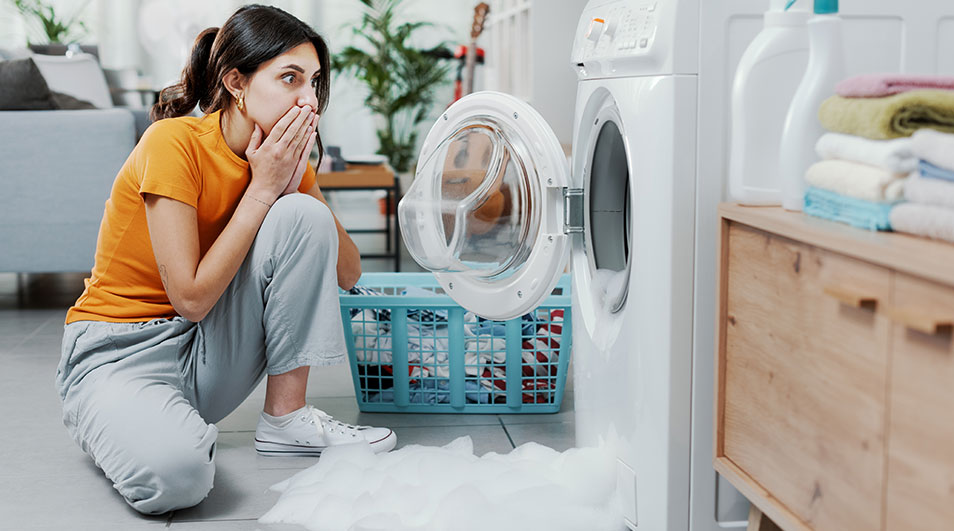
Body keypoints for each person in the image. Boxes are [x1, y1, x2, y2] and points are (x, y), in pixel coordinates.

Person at [53, 4, 396, 515]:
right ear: (236, 82)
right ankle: (119, 417)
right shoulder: (173, 143)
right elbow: (189, 298)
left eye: (314, 82)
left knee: (302, 214)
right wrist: (262, 190)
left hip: (207, 350)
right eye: (289, 78)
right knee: (178, 479)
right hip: (118, 353)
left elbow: (349, 272)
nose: (308, 100)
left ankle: (285, 418)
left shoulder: (280, 161)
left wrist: (299, 180)